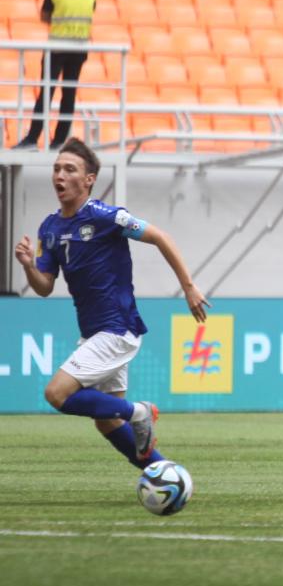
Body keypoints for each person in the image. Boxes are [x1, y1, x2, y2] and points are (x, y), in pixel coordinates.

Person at [13, 138, 209, 471]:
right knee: (106, 421)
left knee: (56, 394)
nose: (59, 175)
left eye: (69, 169)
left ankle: (139, 412)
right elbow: (45, 287)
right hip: (95, 333)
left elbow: (160, 237)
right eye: (56, 168)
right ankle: (163, 474)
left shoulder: (108, 217)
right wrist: (30, 265)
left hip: (117, 329)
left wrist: (188, 287)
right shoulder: (49, 228)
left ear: (89, 179)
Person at [14, 0, 96, 150]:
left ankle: (32, 138)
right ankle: (59, 141)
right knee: (69, 94)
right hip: (79, 48)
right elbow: (90, 14)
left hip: (57, 48)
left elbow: (45, 16)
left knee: (46, 92)